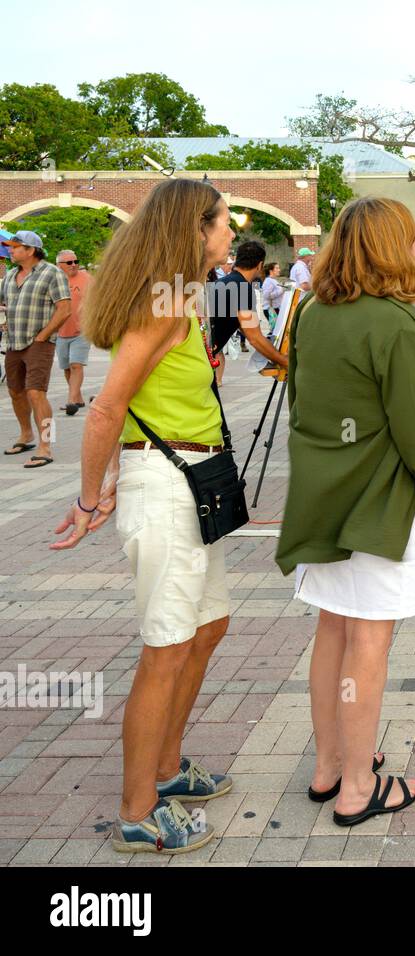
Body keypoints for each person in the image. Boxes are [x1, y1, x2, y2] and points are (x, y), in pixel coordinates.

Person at [51, 178, 240, 854]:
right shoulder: (165, 307)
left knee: (207, 626)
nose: (231, 233)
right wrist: (88, 496)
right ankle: (137, 810)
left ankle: (166, 768)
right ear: (196, 228)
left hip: (195, 483)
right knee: (165, 648)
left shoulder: (182, 300)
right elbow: (106, 407)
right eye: (223, 223)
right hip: (164, 486)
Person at [275, 197, 415, 828]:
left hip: (323, 494)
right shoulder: (395, 321)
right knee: (370, 640)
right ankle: (358, 785)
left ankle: (331, 765)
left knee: (333, 629)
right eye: (407, 240)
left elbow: (300, 399)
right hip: (379, 497)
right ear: (388, 248)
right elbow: (414, 422)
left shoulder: (314, 313)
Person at [1, 230, 71, 468]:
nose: (10, 250)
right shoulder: (11, 276)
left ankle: (46, 445)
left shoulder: (52, 273)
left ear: (30, 250)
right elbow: (4, 303)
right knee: (15, 391)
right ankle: (26, 435)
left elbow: (64, 309)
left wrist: (43, 336)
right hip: (13, 342)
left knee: (35, 392)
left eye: (14, 247)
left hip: (39, 344)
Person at [208, 239, 286, 384]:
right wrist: (284, 361)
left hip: (198, 356)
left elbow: (241, 325)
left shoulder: (223, 282)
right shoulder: (242, 288)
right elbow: (254, 337)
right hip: (203, 360)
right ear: (260, 265)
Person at [55, 250, 94, 415]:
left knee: (76, 365)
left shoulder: (87, 278)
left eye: (75, 261)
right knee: (67, 368)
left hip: (82, 331)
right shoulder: (54, 280)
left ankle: (71, 401)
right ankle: (77, 397)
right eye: (69, 263)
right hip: (60, 331)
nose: (74, 265)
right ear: (59, 265)